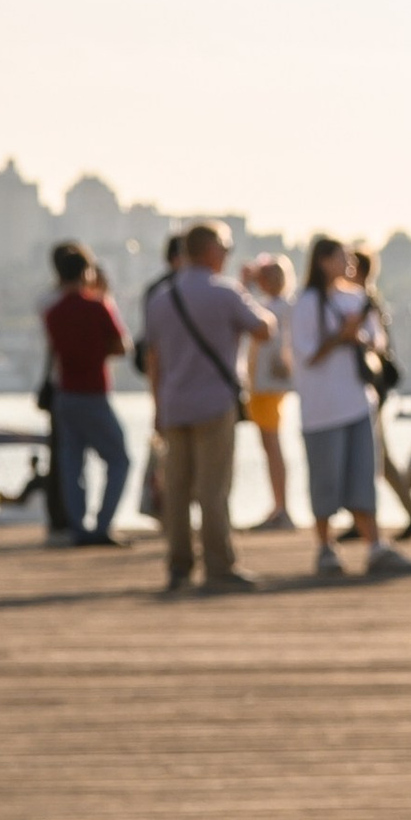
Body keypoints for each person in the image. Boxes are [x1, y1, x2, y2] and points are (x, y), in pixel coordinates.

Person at [144, 221, 271, 593]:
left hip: (173, 405)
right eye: (226, 248)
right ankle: (219, 565)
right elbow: (264, 329)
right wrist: (252, 291)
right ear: (212, 251)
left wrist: (156, 407)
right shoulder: (227, 292)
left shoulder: (161, 298)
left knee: (177, 491)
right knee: (213, 489)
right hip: (215, 404)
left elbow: (153, 360)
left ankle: (179, 567)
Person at [294, 234, 411, 582]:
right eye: (341, 257)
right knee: (325, 481)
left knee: (364, 477)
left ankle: (375, 546)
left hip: (359, 403)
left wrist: (357, 336)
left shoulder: (358, 298)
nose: (349, 263)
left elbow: (377, 345)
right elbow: (306, 356)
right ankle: (324, 547)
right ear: (322, 261)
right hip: (320, 408)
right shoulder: (305, 303)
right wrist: (340, 336)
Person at [41, 241, 132, 547]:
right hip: (94, 392)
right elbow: (121, 346)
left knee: (71, 464)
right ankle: (103, 525)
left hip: (66, 393)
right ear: (86, 272)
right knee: (119, 459)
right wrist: (104, 296)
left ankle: (78, 527)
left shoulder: (52, 312)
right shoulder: (97, 306)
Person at [239, 254, 298, 529]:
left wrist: (245, 284)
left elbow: (244, 310)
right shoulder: (275, 305)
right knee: (270, 445)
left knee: (271, 445)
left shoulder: (281, 307)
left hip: (268, 386)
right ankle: (279, 506)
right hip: (261, 385)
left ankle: (281, 508)